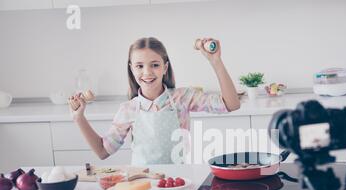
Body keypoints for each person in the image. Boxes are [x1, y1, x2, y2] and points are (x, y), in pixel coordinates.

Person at [69, 37, 240, 165]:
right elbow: (103, 151)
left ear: (165, 67)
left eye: (155, 65)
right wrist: (79, 118)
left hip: (177, 183)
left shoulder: (183, 98)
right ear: (131, 68)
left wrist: (215, 61)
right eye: (140, 66)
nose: (147, 72)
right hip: (141, 186)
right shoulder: (128, 109)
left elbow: (231, 104)